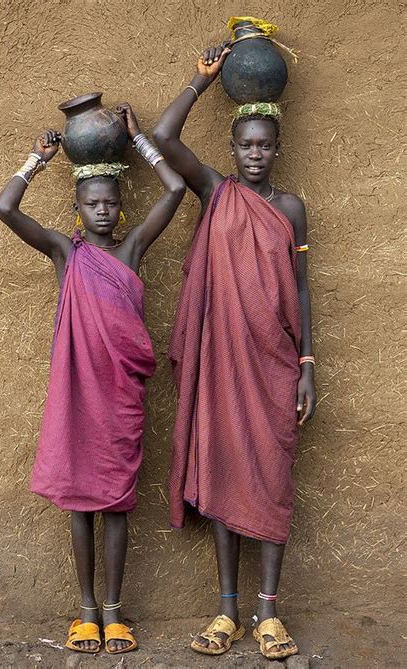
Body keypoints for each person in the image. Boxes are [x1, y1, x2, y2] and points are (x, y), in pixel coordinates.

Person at [0, 103, 185, 655]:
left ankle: (115, 612)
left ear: (121, 209)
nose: (102, 211)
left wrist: (138, 140)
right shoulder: (64, 253)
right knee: (81, 502)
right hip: (77, 396)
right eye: (92, 203)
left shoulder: (130, 250)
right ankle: (85, 613)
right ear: (77, 209)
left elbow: (173, 191)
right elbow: (5, 208)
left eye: (110, 203)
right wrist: (38, 159)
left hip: (121, 398)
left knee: (118, 501)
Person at [153, 45, 317, 660]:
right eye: (246, 145)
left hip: (274, 363)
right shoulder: (216, 193)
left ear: (277, 149)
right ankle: (226, 611)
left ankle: (268, 613)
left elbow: (300, 289)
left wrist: (306, 364)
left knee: (271, 478)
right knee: (223, 473)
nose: (255, 155)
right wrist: (200, 80)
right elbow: (166, 135)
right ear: (233, 149)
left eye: (264, 146)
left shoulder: (291, 209)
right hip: (222, 363)